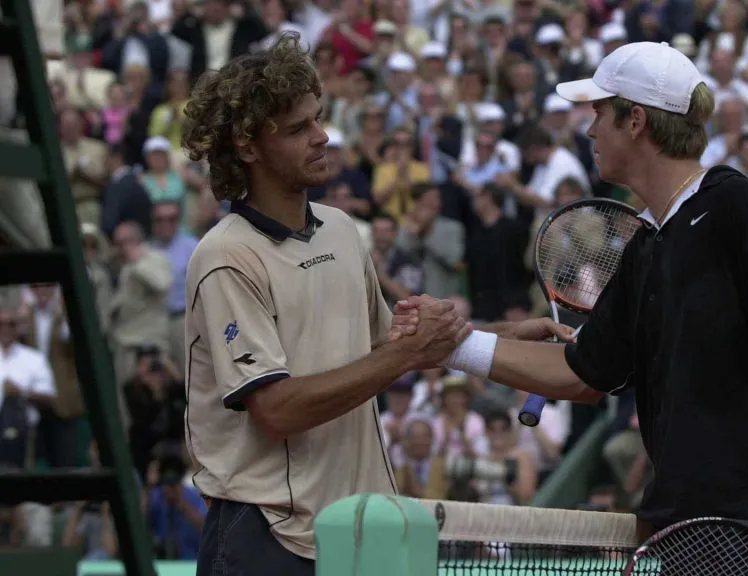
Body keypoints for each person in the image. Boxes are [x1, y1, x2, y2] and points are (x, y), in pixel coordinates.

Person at [395, 41, 748, 575]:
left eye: (599, 114)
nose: (589, 131)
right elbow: (584, 373)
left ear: (635, 121)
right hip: (689, 534)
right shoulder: (647, 244)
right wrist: (453, 346)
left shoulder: (737, 205)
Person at [179, 35, 571, 576]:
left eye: (319, 119)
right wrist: (410, 355)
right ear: (248, 147)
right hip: (268, 539)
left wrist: (501, 335)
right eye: (299, 130)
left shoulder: (339, 229)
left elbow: (387, 342)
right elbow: (278, 410)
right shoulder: (227, 256)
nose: (323, 137)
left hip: (353, 534)